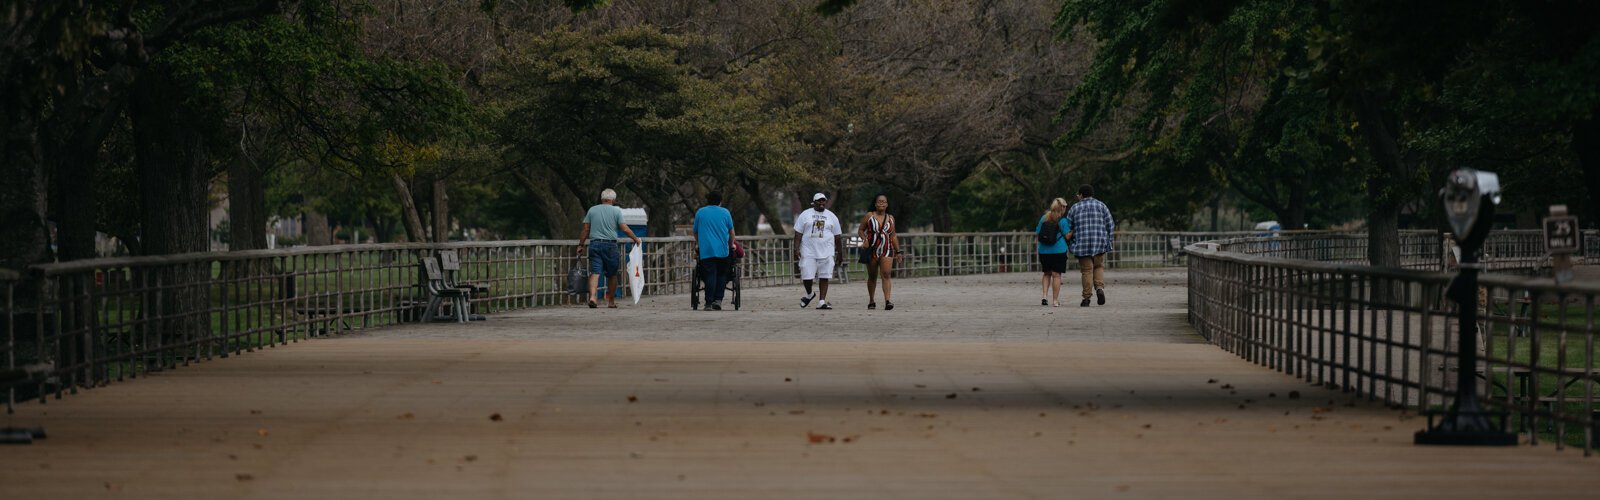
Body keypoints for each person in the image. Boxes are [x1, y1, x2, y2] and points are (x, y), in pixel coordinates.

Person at [575, 188, 642, 309]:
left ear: (602, 199)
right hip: (610, 245)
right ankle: (611, 301)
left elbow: (585, 229)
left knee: (595, 272)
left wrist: (581, 245)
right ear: (613, 200)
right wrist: (635, 239)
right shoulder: (616, 211)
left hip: (594, 244)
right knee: (612, 274)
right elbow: (624, 228)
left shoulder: (592, 210)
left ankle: (593, 297)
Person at [792, 192, 842, 310]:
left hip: (827, 251)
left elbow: (838, 236)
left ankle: (821, 301)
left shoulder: (831, 216)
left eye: (823, 200)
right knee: (807, 276)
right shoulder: (805, 214)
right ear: (813, 202)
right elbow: (798, 234)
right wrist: (796, 249)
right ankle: (810, 294)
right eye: (819, 201)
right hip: (808, 251)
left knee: (824, 276)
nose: (821, 203)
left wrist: (840, 253)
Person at [1067, 184, 1115, 307]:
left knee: (1087, 271)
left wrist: (1071, 242)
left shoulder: (1074, 208)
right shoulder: (1101, 205)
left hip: (1081, 244)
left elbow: (1068, 227)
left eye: (1078, 194)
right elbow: (1110, 224)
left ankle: (1087, 298)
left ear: (1081, 194)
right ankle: (1099, 288)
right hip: (1099, 243)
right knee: (1098, 267)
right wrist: (1108, 240)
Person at [857, 193, 902, 310]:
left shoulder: (891, 218)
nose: (881, 203)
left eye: (884, 201)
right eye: (879, 201)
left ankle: (888, 301)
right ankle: (871, 300)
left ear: (887, 204)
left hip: (887, 249)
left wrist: (898, 251)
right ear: (875, 204)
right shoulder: (869, 216)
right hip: (872, 249)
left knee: (886, 274)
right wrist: (864, 239)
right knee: (872, 276)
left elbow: (893, 236)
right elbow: (861, 230)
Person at [692, 191, 736, 311]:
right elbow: (732, 233)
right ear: (720, 202)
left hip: (706, 251)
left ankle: (708, 303)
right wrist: (731, 245)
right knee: (721, 274)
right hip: (723, 250)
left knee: (710, 274)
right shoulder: (725, 212)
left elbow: (695, 231)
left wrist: (699, 243)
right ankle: (718, 300)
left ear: (708, 200)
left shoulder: (700, 212)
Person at [1036, 198, 1072, 307]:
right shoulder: (1063, 221)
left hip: (1043, 251)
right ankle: (1055, 301)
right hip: (1059, 250)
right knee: (1056, 275)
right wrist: (1073, 230)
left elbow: (1038, 232)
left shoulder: (1044, 217)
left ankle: (1044, 296)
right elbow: (1067, 236)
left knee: (1046, 273)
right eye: (1065, 206)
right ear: (1062, 208)